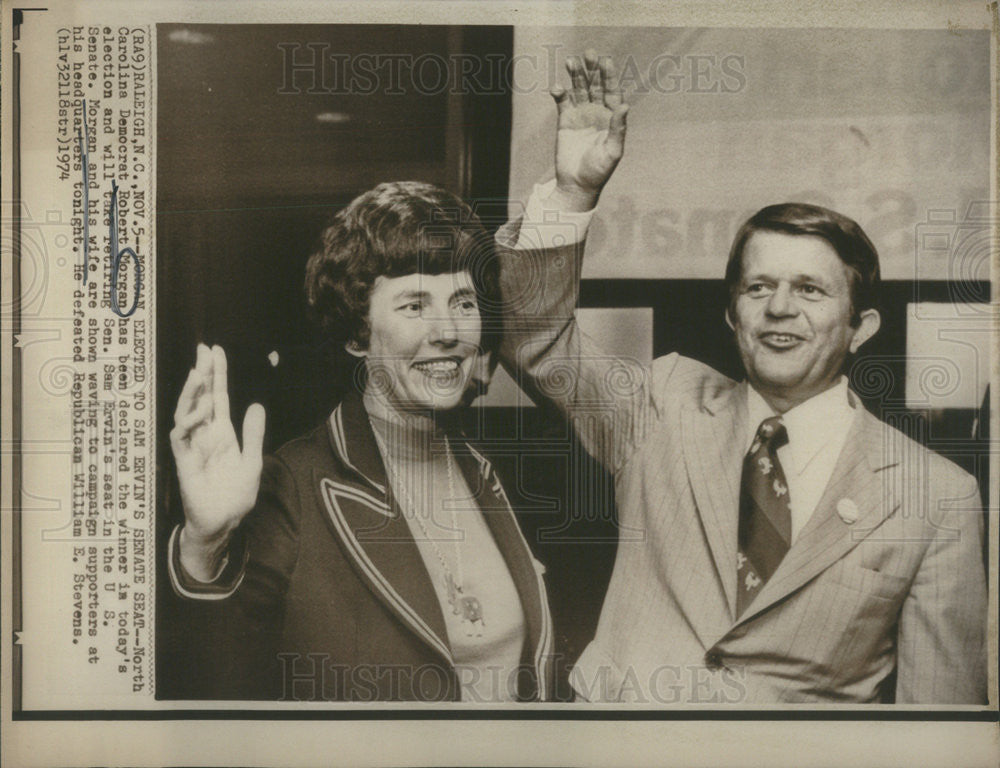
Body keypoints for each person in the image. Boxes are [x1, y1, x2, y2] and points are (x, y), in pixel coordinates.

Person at [497, 52, 987, 703]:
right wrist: (573, 193)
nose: (780, 307)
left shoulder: (938, 498)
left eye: (810, 289)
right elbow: (534, 342)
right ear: (734, 313)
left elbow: (937, 723)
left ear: (860, 327)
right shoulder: (662, 403)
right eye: (760, 286)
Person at [167, 181, 554, 702]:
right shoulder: (294, 486)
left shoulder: (489, 467)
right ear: (356, 334)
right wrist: (203, 546)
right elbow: (210, 688)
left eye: (462, 302)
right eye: (414, 306)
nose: (448, 332)